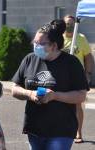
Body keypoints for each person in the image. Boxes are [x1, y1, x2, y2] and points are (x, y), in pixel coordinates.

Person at [11, 21, 89, 150]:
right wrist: (30, 94)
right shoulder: (29, 59)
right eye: (34, 42)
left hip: (61, 130)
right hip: (34, 129)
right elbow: (14, 89)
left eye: (40, 43)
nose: (36, 46)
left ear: (54, 45)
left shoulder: (71, 63)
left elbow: (81, 95)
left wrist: (54, 96)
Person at [63, 15, 93, 143]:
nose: (69, 25)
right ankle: (62, 131)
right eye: (67, 23)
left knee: (77, 104)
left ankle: (78, 132)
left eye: (72, 23)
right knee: (60, 104)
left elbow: (88, 57)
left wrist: (88, 74)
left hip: (77, 77)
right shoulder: (58, 39)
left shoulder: (81, 38)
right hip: (62, 76)